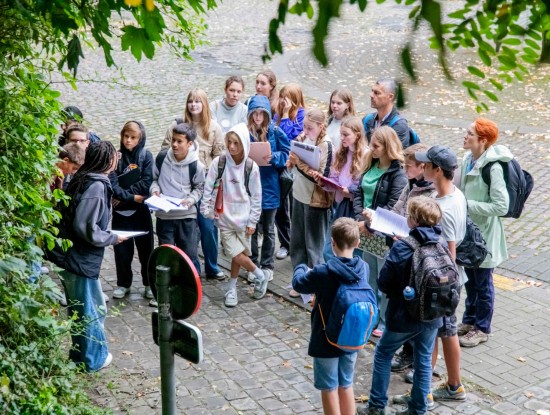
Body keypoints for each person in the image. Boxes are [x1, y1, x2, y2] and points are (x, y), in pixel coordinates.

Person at [47, 141, 127, 371]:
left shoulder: (82, 178)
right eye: (115, 156)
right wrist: (112, 237)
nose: (117, 160)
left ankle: (80, 355)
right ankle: (92, 360)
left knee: (86, 306)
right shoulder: (96, 187)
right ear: (107, 161)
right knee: (88, 309)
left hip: (70, 256)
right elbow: (85, 227)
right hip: (78, 258)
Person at [365, 196, 444, 415]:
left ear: (412, 220)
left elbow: (383, 283)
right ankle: (418, 409)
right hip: (431, 314)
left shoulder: (403, 248)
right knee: (424, 360)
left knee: (383, 354)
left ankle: (376, 406)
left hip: (403, 315)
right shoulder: (440, 245)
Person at [292, 217, 368, 415]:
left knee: (329, 387)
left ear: (332, 242)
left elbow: (299, 284)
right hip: (351, 337)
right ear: (358, 243)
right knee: (346, 384)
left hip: (325, 338)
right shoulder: (364, 269)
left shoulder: (323, 272)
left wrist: (301, 266)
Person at [161, 88, 226, 280]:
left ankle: (212, 266)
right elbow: (165, 150)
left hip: (205, 184)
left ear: (204, 104)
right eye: (191, 101)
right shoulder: (177, 125)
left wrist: (209, 172)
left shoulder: (213, 127)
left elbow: (220, 156)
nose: (194, 105)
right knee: (187, 229)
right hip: (181, 185)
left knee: (208, 226)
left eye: (198, 101)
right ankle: (189, 268)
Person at [458, 118, 511, 347]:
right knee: (470, 280)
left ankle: (482, 328)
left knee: (483, 284)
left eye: (470, 133)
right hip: (469, 234)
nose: (465, 135)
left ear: (483, 140)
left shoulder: (493, 167)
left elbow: (502, 206)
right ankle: (469, 321)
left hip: (486, 237)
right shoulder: (467, 159)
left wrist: (468, 205)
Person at [200, 123, 265, 307]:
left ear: (244, 144)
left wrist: (253, 220)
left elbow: (256, 196)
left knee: (239, 255)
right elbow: (208, 186)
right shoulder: (219, 163)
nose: (232, 147)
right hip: (224, 218)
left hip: (243, 220)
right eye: (230, 142)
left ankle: (232, 287)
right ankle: (260, 274)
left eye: (236, 143)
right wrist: (206, 209)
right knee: (234, 253)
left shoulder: (251, 167)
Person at [353, 126, 407, 337]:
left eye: (376, 146)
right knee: (370, 276)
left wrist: (368, 225)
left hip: (382, 235)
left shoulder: (397, 175)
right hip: (366, 229)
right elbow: (358, 192)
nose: (371, 149)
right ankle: (372, 316)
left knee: (384, 280)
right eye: (371, 144)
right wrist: (361, 220)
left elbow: (392, 207)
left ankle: (384, 321)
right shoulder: (370, 166)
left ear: (387, 147)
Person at [389, 143, 434, 375]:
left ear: (422, 167)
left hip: (419, 257)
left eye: (408, 166)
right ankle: (407, 350)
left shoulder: (430, 193)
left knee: (416, 305)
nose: (404, 169)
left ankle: (416, 356)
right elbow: (398, 209)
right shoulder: (410, 185)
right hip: (403, 248)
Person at [150, 123, 205, 283]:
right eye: (173, 140)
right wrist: (154, 191)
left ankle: (190, 287)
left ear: (189, 144)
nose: (174, 144)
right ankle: (165, 290)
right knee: (166, 255)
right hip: (164, 217)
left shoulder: (196, 166)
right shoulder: (161, 158)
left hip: (186, 217)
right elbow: (154, 180)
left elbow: (199, 188)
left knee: (189, 254)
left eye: (179, 141)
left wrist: (190, 200)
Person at [287, 108, 334, 297]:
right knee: (297, 242)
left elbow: (321, 177)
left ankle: (317, 287)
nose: (306, 130)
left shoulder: (326, 145)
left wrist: (299, 163)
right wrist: (292, 162)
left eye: (310, 128)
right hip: (298, 194)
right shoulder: (303, 137)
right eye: (304, 126)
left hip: (316, 201)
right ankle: (300, 282)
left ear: (321, 126)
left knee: (314, 246)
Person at [109, 121, 155, 301]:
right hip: (120, 213)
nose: (128, 141)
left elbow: (146, 182)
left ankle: (148, 283)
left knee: (146, 251)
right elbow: (112, 184)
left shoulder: (146, 156)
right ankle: (124, 283)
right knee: (122, 252)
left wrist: (126, 196)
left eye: (133, 137)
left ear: (140, 138)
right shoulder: (116, 157)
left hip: (140, 212)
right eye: (125, 137)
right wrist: (130, 197)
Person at [246, 95, 290, 282]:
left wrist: (275, 158)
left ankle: (267, 264)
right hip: (251, 187)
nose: (257, 117)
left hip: (270, 186)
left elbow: (287, 154)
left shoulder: (276, 131)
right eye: (254, 113)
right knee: (253, 228)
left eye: (261, 113)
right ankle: (253, 264)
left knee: (269, 228)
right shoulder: (245, 132)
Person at [312, 116, 366, 262]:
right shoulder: (340, 153)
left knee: (352, 253)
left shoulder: (366, 156)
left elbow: (365, 187)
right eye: (341, 134)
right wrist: (323, 182)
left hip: (355, 209)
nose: (342, 138)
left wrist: (352, 192)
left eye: (346, 135)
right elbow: (335, 180)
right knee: (329, 251)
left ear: (358, 135)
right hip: (341, 206)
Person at [273, 83, 307, 260]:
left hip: (295, 170)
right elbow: (274, 135)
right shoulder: (276, 115)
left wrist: (286, 116)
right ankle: (285, 242)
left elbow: (287, 138)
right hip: (280, 167)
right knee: (280, 208)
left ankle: (297, 244)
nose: (283, 102)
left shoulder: (302, 116)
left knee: (294, 209)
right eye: (281, 97)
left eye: (286, 98)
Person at [362, 79, 411, 148]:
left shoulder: (399, 126)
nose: (371, 95)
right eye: (372, 91)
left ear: (390, 97)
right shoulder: (367, 119)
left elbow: (398, 156)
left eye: (377, 93)